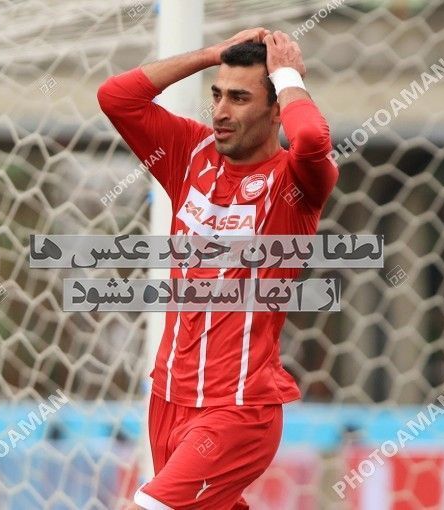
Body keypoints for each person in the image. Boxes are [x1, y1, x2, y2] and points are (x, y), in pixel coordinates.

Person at [97, 27, 339, 509]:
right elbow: (116, 98)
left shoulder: (294, 183)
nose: (221, 111)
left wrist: (289, 75)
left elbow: (312, 138)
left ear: (276, 109)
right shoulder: (190, 152)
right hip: (168, 398)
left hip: (238, 410)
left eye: (240, 98)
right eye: (217, 95)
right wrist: (211, 53)